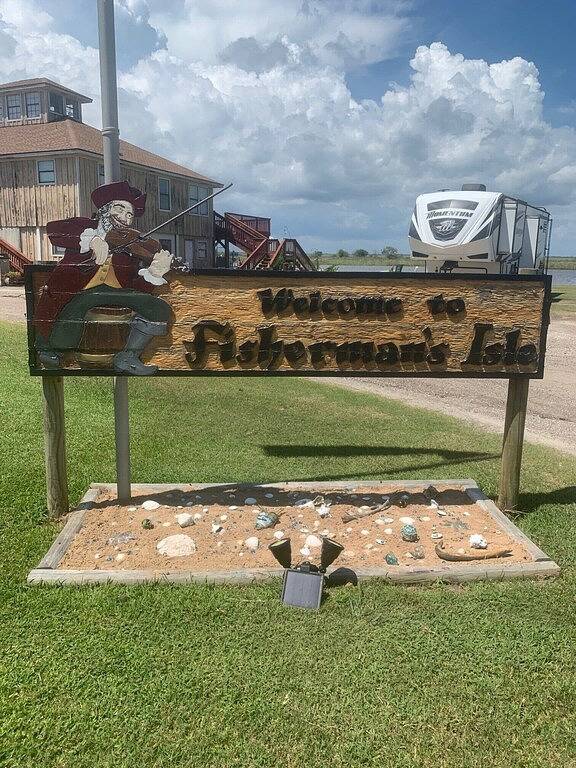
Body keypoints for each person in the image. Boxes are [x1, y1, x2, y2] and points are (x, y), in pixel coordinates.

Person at [34, 181, 174, 375]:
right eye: (120, 208)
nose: (125, 217)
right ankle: (52, 348)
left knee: (159, 308)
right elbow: (55, 230)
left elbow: (135, 287)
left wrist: (154, 273)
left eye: (130, 214)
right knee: (76, 308)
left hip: (115, 293)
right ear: (105, 209)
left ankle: (128, 356)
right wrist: (92, 240)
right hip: (77, 291)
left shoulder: (129, 247)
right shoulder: (84, 227)